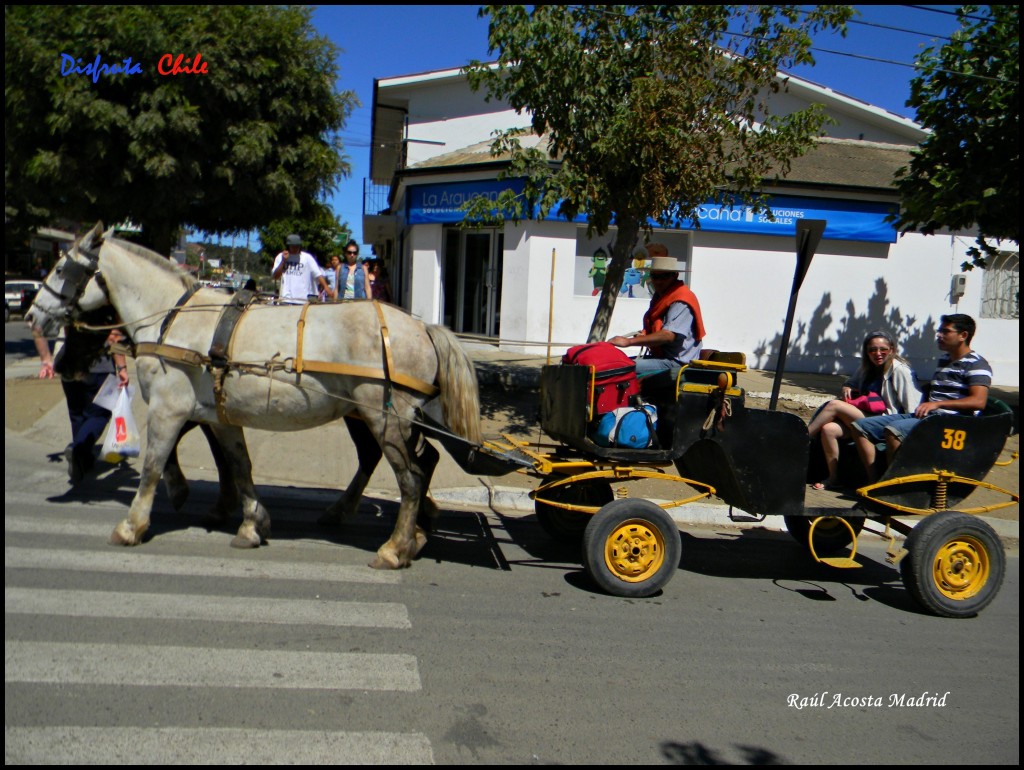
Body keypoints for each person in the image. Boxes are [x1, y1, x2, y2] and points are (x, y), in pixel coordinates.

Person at [851, 314, 992, 482]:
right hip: (929, 416)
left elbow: (978, 401)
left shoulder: (976, 364)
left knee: (894, 431)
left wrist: (936, 404)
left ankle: (895, 486)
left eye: (945, 331)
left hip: (951, 422)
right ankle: (874, 481)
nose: (939, 335)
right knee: (860, 427)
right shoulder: (946, 359)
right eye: (939, 331)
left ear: (963, 336)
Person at [806, 331, 919, 490]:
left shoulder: (900, 370)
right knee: (829, 429)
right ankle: (834, 478)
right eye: (872, 350)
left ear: (892, 350)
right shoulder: (867, 367)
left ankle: (802, 438)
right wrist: (847, 387)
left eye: (882, 349)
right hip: (867, 416)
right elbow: (851, 382)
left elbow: (913, 406)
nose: (877, 354)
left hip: (888, 420)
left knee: (834, 405)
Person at [34, 321, 130, 483]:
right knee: (101, 413)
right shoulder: (104, 309)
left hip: (68, 366)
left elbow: (37, 325)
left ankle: (82, 460)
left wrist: (46, 359)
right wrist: (122, 368)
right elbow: (114, 337)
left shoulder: (70, 304)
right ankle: (77, 448)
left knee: (77, 414)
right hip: (98, 367)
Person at [607, 243, 706, 382]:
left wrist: (628, 342)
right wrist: (645, 334)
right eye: (655, 276)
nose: (658, 281)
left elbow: (668, 335)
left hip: (677, 363)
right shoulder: (661, 296)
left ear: (675, 276)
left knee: (619, 367)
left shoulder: (681, 299)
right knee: (614, 363)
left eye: (664, 276)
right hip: (662, 358)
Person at [271, 234, 332, 303]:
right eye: (293, 246)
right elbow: (275, 276)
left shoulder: (307, 258)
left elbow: (317, 274)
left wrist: (326, 287)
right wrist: (283, 261)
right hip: (286, 299)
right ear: (288, 246)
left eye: (297, 246)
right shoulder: (280, 257)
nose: (295, 248)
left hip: (303, 300)